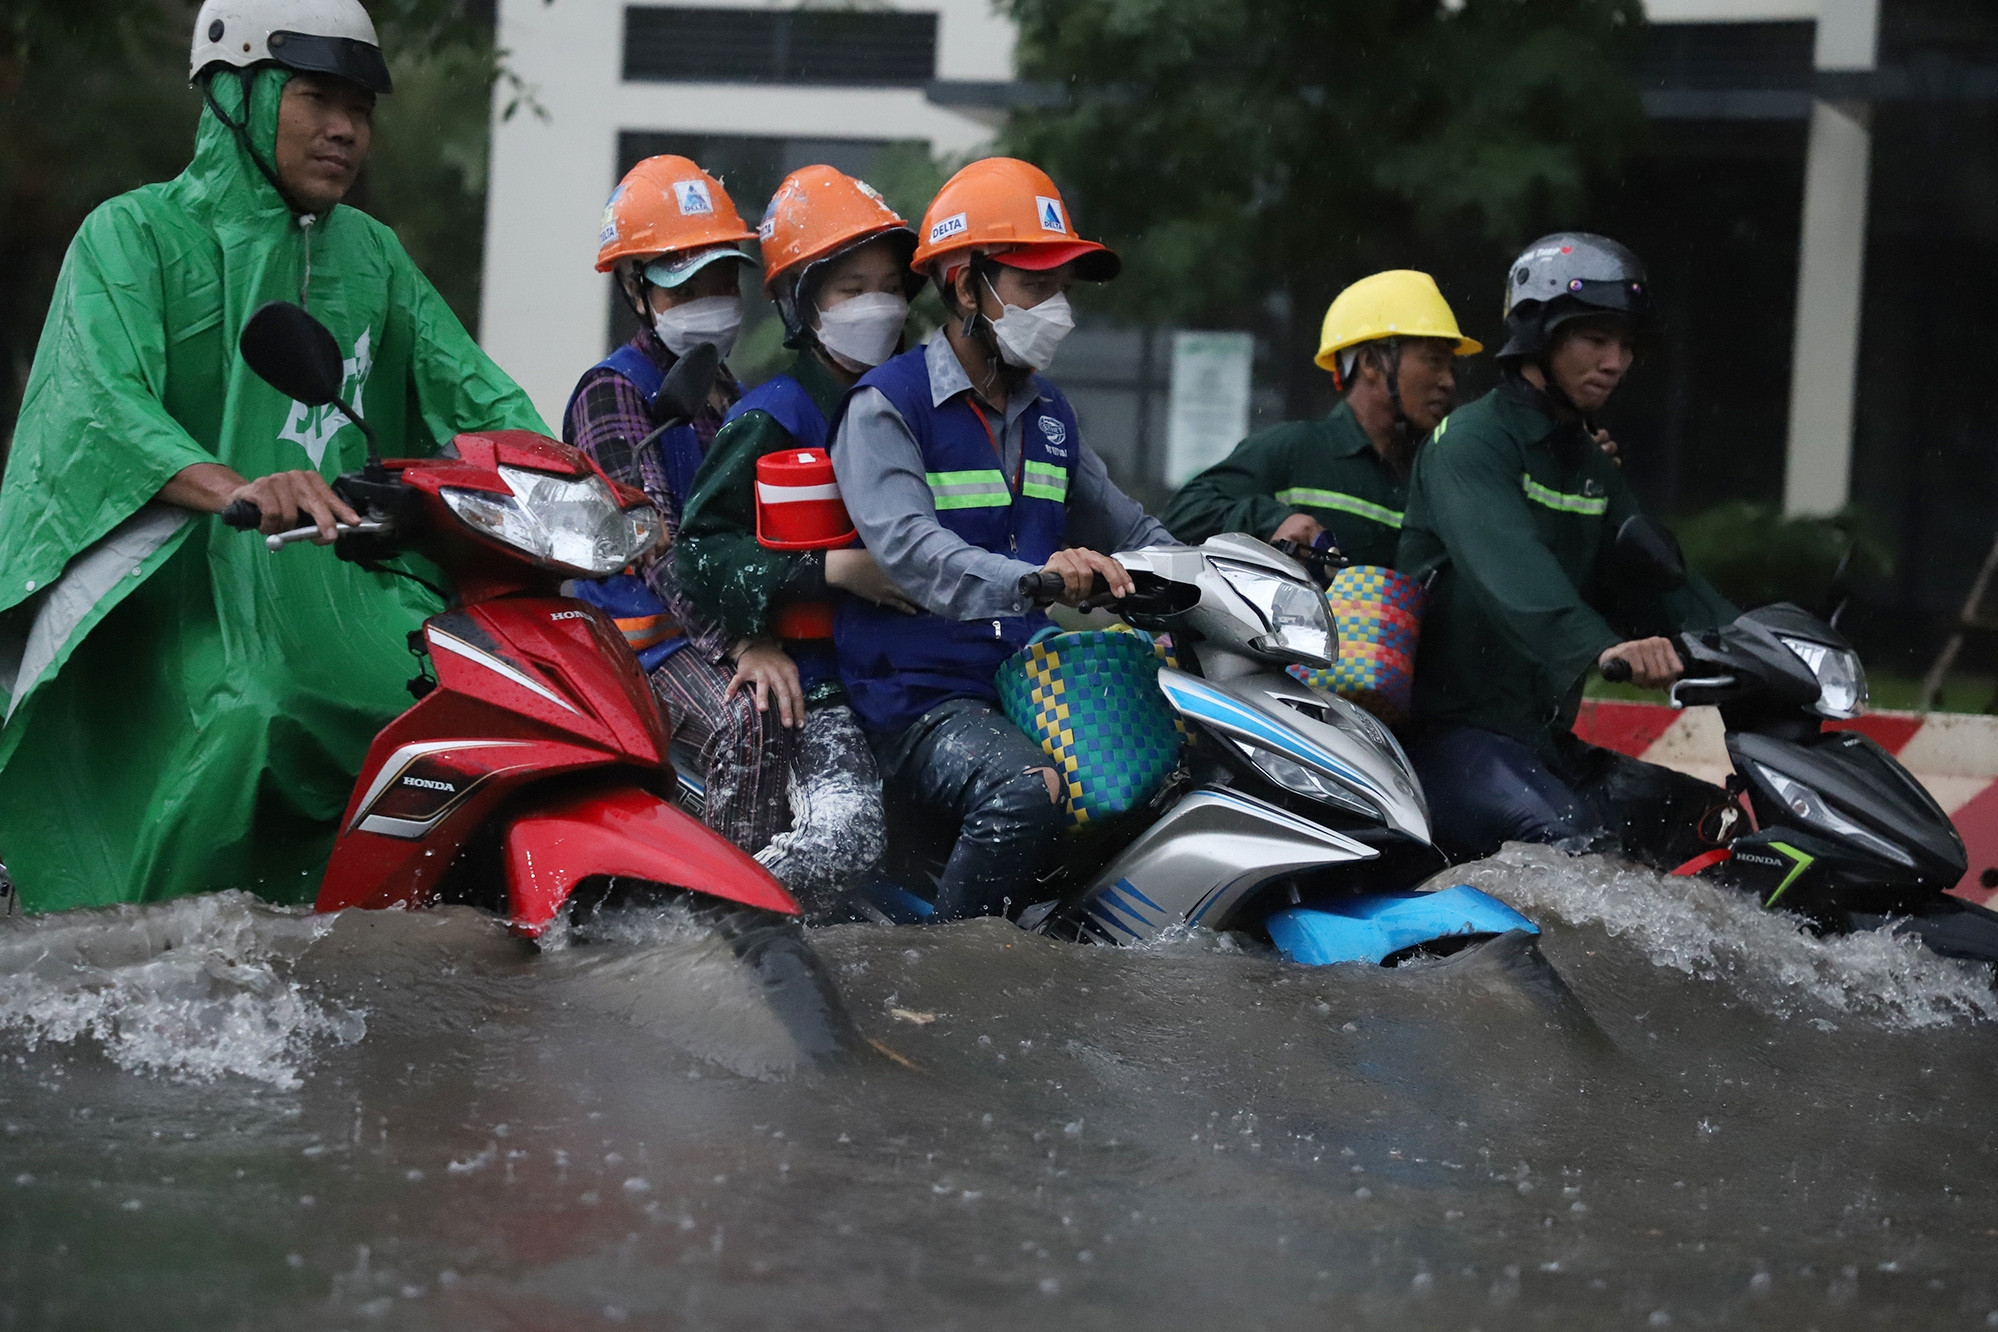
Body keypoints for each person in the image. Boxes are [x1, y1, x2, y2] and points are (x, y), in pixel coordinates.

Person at [0, 0, 546, 914]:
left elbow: (479, 395)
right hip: (182, 597)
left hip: (359, 597)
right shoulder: (131, 235)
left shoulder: (373, 252)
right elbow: (102, 411)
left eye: (361, 109)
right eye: (316, 99)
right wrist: (237, 488)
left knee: (484, 714)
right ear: (236, 96)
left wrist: (577, 485)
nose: (345, 130)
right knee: (255, 706)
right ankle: (149, 961)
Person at [828, 157, 1176, 921]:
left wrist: (1209, 584)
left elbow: (1131, 528)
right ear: (964, 285)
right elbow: (909, 550)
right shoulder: (888, 406)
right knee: (1025, 792)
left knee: (1172, 770)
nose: (1058, 311)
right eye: (1034, 287)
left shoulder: (1050, 415)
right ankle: (950, 985)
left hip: (1023, 691)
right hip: (913, 704)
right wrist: (1035, 580)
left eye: (1063, 291)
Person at [1395, 233, 1737, 864]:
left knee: (1713, 831)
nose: (1618, 360)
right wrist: (1603, 647)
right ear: (1537, 335)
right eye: (1596, 339)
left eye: (1627, 344)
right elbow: (1513, 574)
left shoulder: (1588, 464)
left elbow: (1661, 579)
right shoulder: (1470, 443)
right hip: (1448, 741)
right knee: (1578, 861)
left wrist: (1760, 646)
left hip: (1543, 744)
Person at [672, 165, 927, 913]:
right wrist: (831, 571)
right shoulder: (772, 414)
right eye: (852, 289)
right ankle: (709, 931)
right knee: (844, 838)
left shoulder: (920, 403)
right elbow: (701, 553)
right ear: (803, 303)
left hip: (918, 681)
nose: (876, 305)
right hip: (821, 687)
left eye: (888, 284)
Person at [563, 155, 798, 861]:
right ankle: (726, 912)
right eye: (687, 283)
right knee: (753, 717)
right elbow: (651, 540)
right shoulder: (614, 393)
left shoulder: (730, 391)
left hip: (722, 634)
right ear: (637, 290)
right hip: (646, 649)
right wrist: (741, 646)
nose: (713, 297)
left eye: (722, 279)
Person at [1163, 271, 1479, 564]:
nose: (1447, 381)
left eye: (1451, 368)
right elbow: (1184, 514)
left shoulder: (1437, 474)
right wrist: (1274, 521)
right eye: (1434, 362)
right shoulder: (1297, 450)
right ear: (1371, 362)